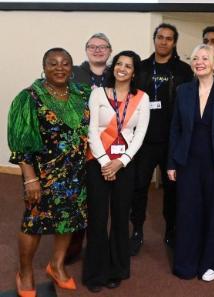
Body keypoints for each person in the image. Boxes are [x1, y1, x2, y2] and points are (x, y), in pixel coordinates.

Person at [8, 48, 91, 297]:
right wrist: (30, 178)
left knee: (67, 221)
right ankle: (25, 272)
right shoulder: (30, 97)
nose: (59, 68)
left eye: (65, 63)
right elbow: (21, 143)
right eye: (53, 63)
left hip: (76, 173)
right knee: (33, 223)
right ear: (43, 66)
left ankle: (56, 265)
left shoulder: (83, 94)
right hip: (42, 176)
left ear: (72, 67)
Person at [167, 44, 214, 282]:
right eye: (196, 58)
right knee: (188, 212)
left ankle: (210, 262)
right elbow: (175, 129)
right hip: (188, 162)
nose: (199, 61)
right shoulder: (182, 91)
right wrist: (171, 163)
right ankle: (187, 262)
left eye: (205, 58)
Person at [83, 50, 150, 293]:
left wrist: (120, 161)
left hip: (124, 164)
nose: (122, 68)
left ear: (134, 72)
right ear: (114, 68)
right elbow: (91, 130)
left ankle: (117, 269)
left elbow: (139, 134)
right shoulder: (98, 93)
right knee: (98, 219)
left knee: (121, 218)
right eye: (119, 64)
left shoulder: (142, 98)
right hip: (97, 163)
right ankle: (95, 273)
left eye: (128, 65)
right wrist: (104, 161)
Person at [130, 23, 194, 255]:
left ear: (174, 42)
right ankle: (136, 230)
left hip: (172, 142)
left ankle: (171, 230)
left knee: (173, 190)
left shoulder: (184, 71)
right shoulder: (142, 68)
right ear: (155, 39)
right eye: (160, 37)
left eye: (169, 38)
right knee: (138, 188)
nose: (164, 42)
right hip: (143, 141)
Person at [65, 32, 112, 265]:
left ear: (110, 51)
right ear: (86, 49)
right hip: (77, 147)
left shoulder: (116, 75)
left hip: (106, 148)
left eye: (102, 47)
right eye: (93, 46)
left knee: (99, 201)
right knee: (75, 199)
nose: (97, 50)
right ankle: (72, 247)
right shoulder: (73, 73)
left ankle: (98, 248)